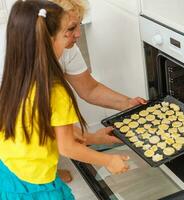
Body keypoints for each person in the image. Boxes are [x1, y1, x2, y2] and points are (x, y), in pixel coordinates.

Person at [0, 0, 129, 199]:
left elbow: (51, 129)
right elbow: (66, 146)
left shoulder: (15, 77)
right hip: (36, 183)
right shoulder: (55, 92)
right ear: (47, 41)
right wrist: (108, 160)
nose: (72, 36)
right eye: (65, 33)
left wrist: (95, 138)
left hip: (9, 171)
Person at [47, 0, 147, 183]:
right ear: (48, 31)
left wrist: (127, 104)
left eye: (79, 24)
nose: (78, 33)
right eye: (71, 28)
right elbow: (61, 140)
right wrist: (106, 159)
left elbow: (90, 89)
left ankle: (43, 171)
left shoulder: (66, 50)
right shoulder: (18, 61)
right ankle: (42, 174)